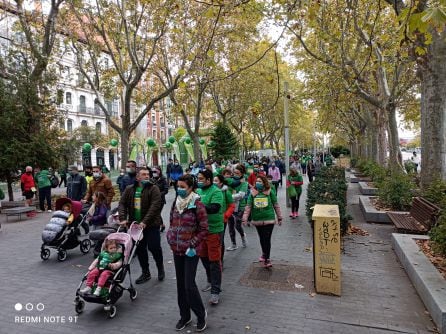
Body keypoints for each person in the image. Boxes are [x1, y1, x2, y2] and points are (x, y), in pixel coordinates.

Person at [166, 174, 208, 332]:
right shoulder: (175, 203)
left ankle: (201, 314)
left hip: (191, 251)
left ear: (191, 188)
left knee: (189, 284)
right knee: (180, 285)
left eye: (183, 187)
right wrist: (170, 237)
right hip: (177, 249)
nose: (179, 189)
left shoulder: (197, 204)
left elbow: (204, 229)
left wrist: (192, 243)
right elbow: (171, 222)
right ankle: (185, 316)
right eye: (178, 186)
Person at [118, 167, 165, 283]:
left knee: (154, 248)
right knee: (140, 249)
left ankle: (160, 268)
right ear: (138, 177)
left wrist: (145, 222)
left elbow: (155, 206)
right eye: (143, 174)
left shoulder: (154, 189)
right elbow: (122, 203)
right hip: (136, 226)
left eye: (148, 174)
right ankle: (145, 272)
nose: (147, 176)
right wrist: (123, 218)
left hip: (151, 225)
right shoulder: (130, 189)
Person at [196, 170, 224, 305]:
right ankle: (210, 280)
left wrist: (197, 205)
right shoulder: (198, 191)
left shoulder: (216, 192)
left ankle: (215, 291)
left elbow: (214, 208)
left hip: (214, 231)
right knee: (203, 257)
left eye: (201, 179)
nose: (199, 181)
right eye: (198, 178)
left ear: (208, 180)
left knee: (214, 262)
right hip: (201, 232)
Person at [242, 175, 283, 268]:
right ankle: (264, 254)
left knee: (267, 239)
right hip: (257, 220)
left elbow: (276, 205)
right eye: (257, 182)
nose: (258, 183)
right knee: (261, 238)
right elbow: (248, 207)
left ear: (264, 182)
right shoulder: (252, 193)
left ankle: (267, 259)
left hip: (269, 219)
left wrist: (279, 217)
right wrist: (245, 218)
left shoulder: (270, 192)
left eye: (260, 181)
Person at [213, 174, 235, 263]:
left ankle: (220, 260)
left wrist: (225, 215)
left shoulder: (226, 192)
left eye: (216, 181)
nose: (214, 183)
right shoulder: (211, 191)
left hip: (222, 220)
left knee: (220, 240)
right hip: (211, 220)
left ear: (221, 183)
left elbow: (232, 205)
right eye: (213, 180)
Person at [227, 165, 248, 251]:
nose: (235, 174)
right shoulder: (231, 181)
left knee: (237, 225)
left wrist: (228, 196)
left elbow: (241, 195)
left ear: (242, 174)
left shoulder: (244, 183)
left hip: (240, 207)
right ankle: (233, 244)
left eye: (237, 173)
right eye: (234, 173)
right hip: (230, 206)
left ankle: (243, 235)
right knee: (230, 226)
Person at [151, 166, 168, 232]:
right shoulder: (151, 179)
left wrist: (158, 195)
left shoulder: (163, 179)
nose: (154, 173)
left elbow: (166, 190)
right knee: (156, 213)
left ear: (159, 171)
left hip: (160, 200)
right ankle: (162, 225)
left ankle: (158, 226)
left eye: (155, 171)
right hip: (153, 200)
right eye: (153, 172)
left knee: (157, 213)